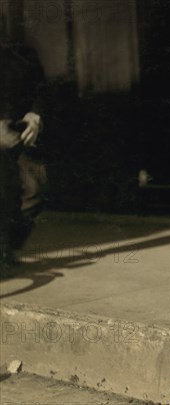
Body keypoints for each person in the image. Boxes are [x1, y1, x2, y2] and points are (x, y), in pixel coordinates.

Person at [0, 17, 47, 275]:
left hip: (21, 132)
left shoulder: (24, 53)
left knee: (35, 190)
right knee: (4, 194)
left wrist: (35, 114)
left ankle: (7, 245)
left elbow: (40, 88)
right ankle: (4, 250)